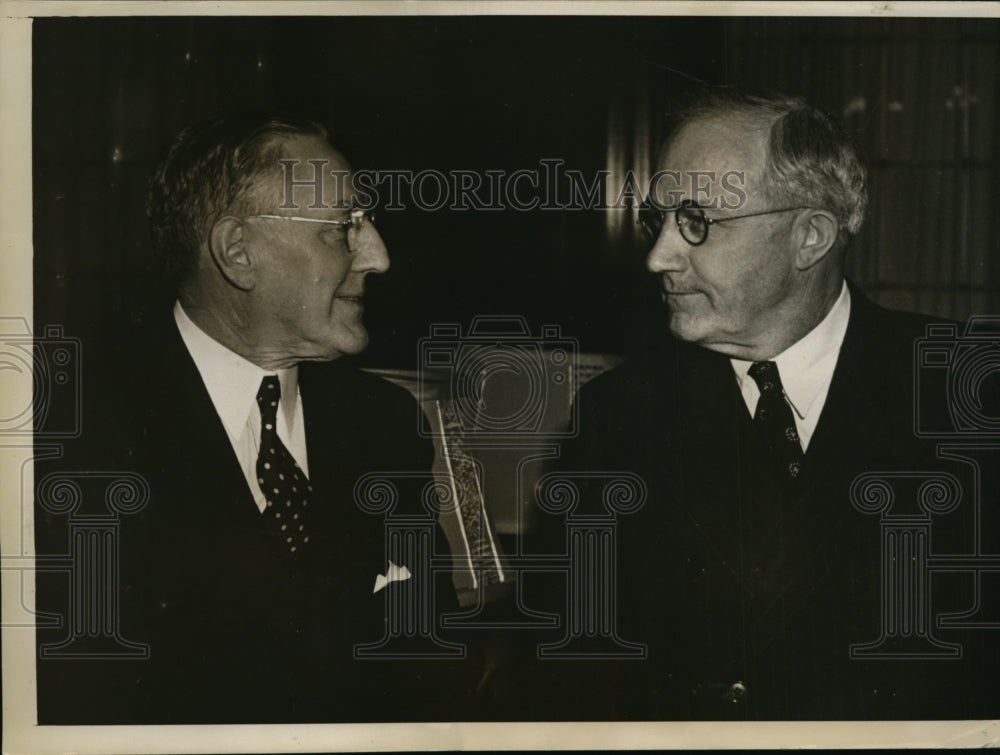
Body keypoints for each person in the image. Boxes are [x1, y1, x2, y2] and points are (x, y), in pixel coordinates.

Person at [512, 89, 998, 720]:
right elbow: (564, 673)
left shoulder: (970, 397)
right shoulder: (618, 417)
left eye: (697, 221)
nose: (659, 256)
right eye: (655, 221)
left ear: (810, 238)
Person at [34, 112, 474, 724]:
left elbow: (430, 666)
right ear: (238, 253)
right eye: (342, 227)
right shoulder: (68, 439)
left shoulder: (383, 422)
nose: (377, 255)